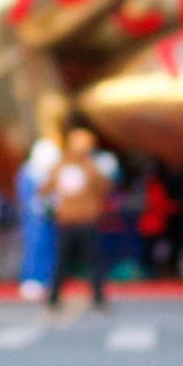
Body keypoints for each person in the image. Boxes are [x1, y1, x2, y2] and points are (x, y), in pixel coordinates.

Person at [47, 129, 112, 309]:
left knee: (63, 261)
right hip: (84, 220)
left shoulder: (60, 166)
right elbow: (104, 188)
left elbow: (45, 188)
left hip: (68, 220)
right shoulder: (90, 167)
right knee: (93, 261)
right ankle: (97, 297)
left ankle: (54, 297)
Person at [16, 138, 61, 300]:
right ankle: (32, 280)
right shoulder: (29, 172)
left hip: (49, 216)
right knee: (34, 248)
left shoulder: (49, 173)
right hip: (35, 217)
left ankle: (47, 279)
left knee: (50, 248)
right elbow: (28, 197)